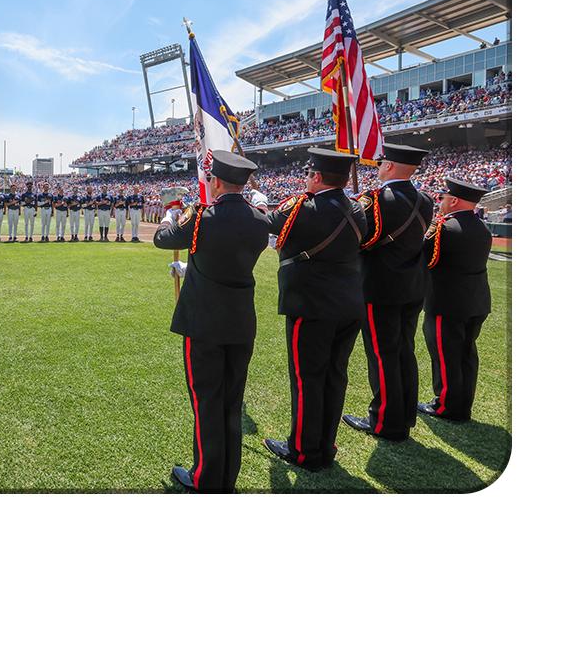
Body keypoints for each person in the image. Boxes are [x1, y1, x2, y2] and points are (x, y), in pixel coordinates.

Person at [154, 151, 269, 493]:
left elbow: (164, 239)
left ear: (215, 181)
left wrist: (170, 215)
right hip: (240, 321)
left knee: (207, 400)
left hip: (204, 321)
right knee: (231, 402)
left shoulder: (202, 217)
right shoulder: (261, 220)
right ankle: (226, 479)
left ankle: (206, 478)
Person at [260, 149, 367, 472]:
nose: (306, 179)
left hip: (311, 304)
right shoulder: (359, 210)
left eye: (309, 174)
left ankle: (304, 451)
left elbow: (265, 223)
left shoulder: (301, 208)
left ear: (316, 177)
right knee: (335, 376)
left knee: (308, 380)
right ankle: (325, 444)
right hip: (350, 303)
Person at [342, 143, 435, 443]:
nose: (379, 166)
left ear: (390, 166)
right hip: (413, 285)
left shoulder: (378, 200)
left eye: (382, 162)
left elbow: (361, 239)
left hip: (380, 285)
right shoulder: (425, 200)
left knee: (383, 356)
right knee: (404, 352)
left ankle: (385, 421)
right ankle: (405, 415)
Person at [417, 177, 493, 423]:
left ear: (454, 200)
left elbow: (425, 259)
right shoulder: (482, 226)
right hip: (476, 300)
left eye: (442, 198)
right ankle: (462, 406)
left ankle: (446, 406)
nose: (440, 203)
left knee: (445, 355)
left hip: (447, 302)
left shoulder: (443, 228)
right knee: (466, 353)